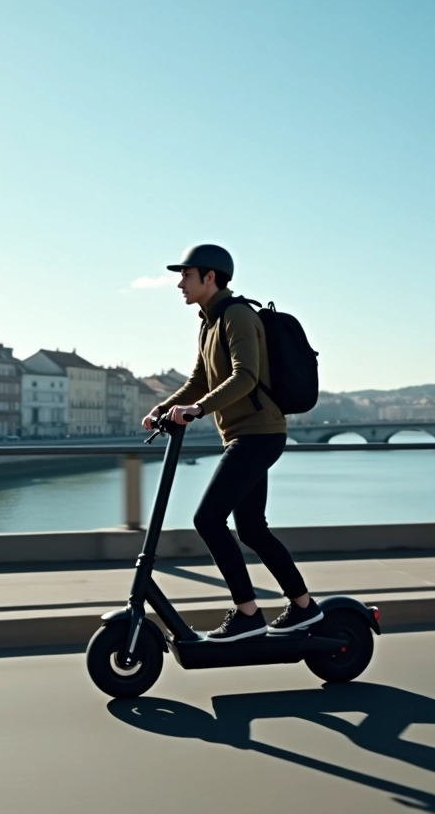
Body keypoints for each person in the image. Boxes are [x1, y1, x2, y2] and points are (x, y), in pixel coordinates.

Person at [142, 244, 322, 642]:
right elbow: (199, 380)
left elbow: (245, 376)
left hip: (259, 433)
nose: (179, 283)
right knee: (253, 530)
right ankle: (305, 608)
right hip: (244, 434)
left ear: (210, 277)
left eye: (186, 275)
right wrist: (164, 406)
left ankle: (247, 613)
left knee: (207, 520)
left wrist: (198, 410)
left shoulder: (237, 315)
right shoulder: (209, 322)